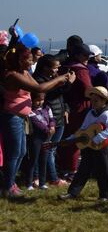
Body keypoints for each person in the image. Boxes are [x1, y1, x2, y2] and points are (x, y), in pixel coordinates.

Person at [1, 43, 74, 198]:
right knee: (14, 153)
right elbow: (39, 89)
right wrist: (59, 79)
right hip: (11, 117)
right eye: (29, 59)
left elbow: (40, 86)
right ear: (20, 60)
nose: (32, 61)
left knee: (21, 152)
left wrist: (59, 81)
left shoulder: (24, 72)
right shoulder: (13, 75)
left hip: (21, 117)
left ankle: (11, 183)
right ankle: (7, 187)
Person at [59, 87, 108, 202]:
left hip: (101, 147)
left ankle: (105, 195)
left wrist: (98, 138)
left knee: (103, 170)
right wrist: (71, 138)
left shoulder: (106, 114)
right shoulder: (90, 113)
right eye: (92, 100)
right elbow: (83, 129)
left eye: (96, 100)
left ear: (104, 101)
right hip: (88, 146)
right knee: (83, 170)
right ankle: (72, 193)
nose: (93, 103)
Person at [32, 54, 70, 187]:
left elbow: (62, 96)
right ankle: (45, 177)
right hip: (45, 119)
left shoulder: (52, 78)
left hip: (58, 117)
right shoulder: (38, 80)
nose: (57, 70)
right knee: (43, 150)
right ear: (45, 67)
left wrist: (66, 109)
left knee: (50, 150)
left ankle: (45, 177)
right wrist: (64, 82)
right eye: (55, 67)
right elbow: (49, 95)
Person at [59, 43, 93, 180]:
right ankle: (72, 170)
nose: (87, 58)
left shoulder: (65, 66)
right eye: (85, 55)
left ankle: (63, 168)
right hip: (79, 108)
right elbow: (88, 90)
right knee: (76, 140)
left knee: (66, 139)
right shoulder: (80, 70)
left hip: (65, 106)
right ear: (77, 55)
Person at [24, 92, 56, 190]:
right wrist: (48, 130)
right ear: (32, 100)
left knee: (44, 160)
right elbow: (36, 122)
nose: (40, 102)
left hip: (46, 138)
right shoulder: (30, 111)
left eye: (42, 100)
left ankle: (42, 183)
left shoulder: (47, 108)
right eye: (37, 100)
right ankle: (29, 183)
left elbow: (52, 119)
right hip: (36, 138)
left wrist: (52, 126)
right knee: (33, 160)